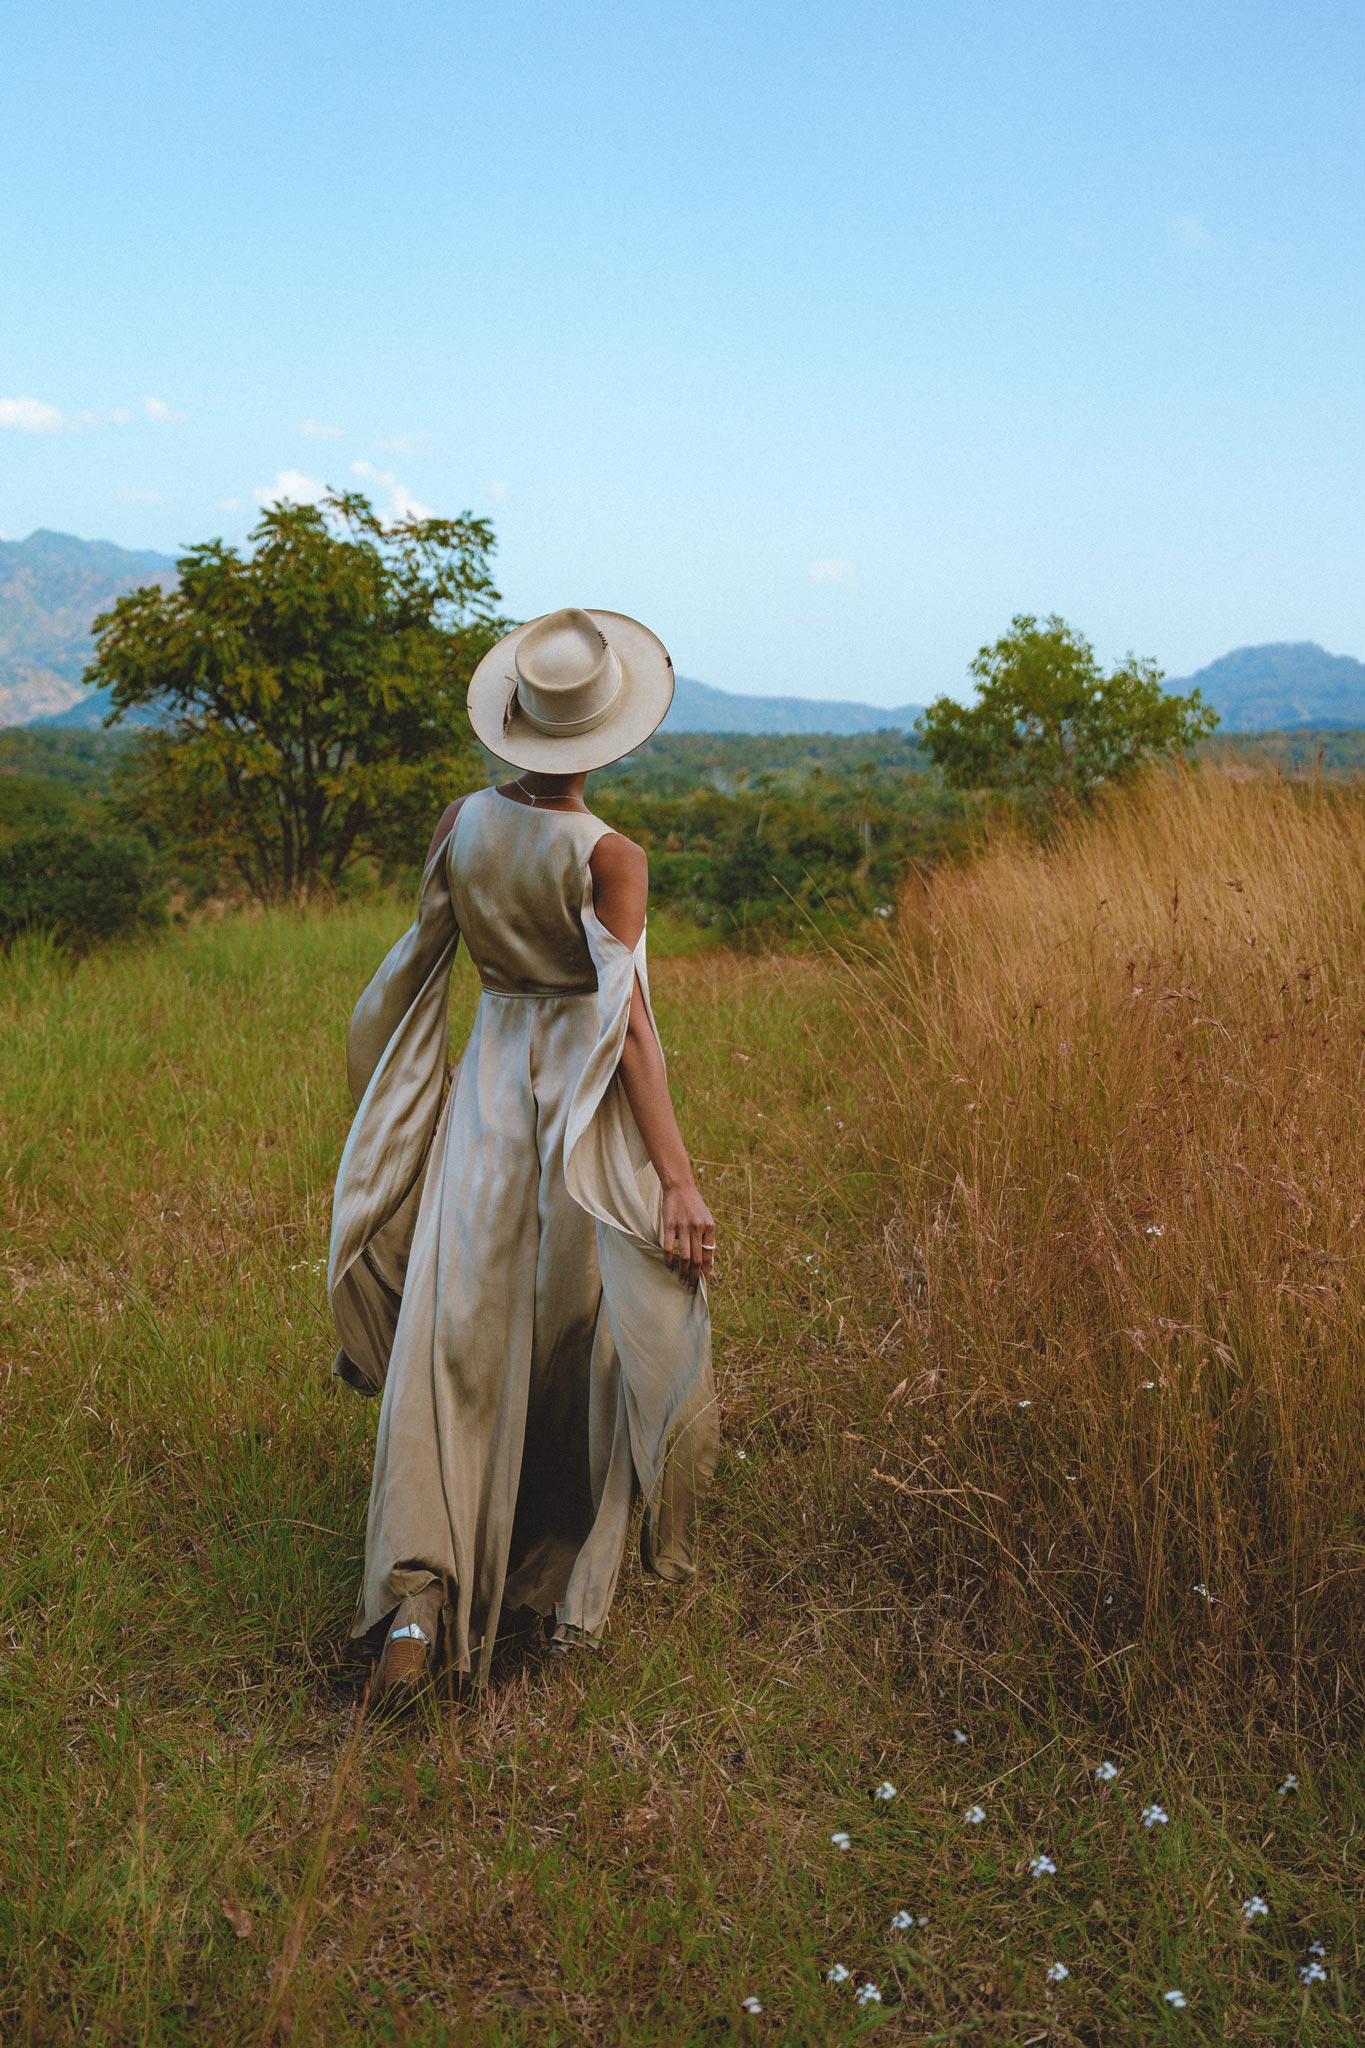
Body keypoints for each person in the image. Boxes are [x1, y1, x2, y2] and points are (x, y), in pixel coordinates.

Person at [328, 606, 719, 1699]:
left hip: (486, 1096)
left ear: (517, 723)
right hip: (577, 1110)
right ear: (609, 734)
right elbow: (626, 1023)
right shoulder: (612, 856)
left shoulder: (462, 823)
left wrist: (399, 1115)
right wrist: (677, 1177)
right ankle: (543, 1587)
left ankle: (419, 1599)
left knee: (456, 1335)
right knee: (573, 1338)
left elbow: (414, 970)